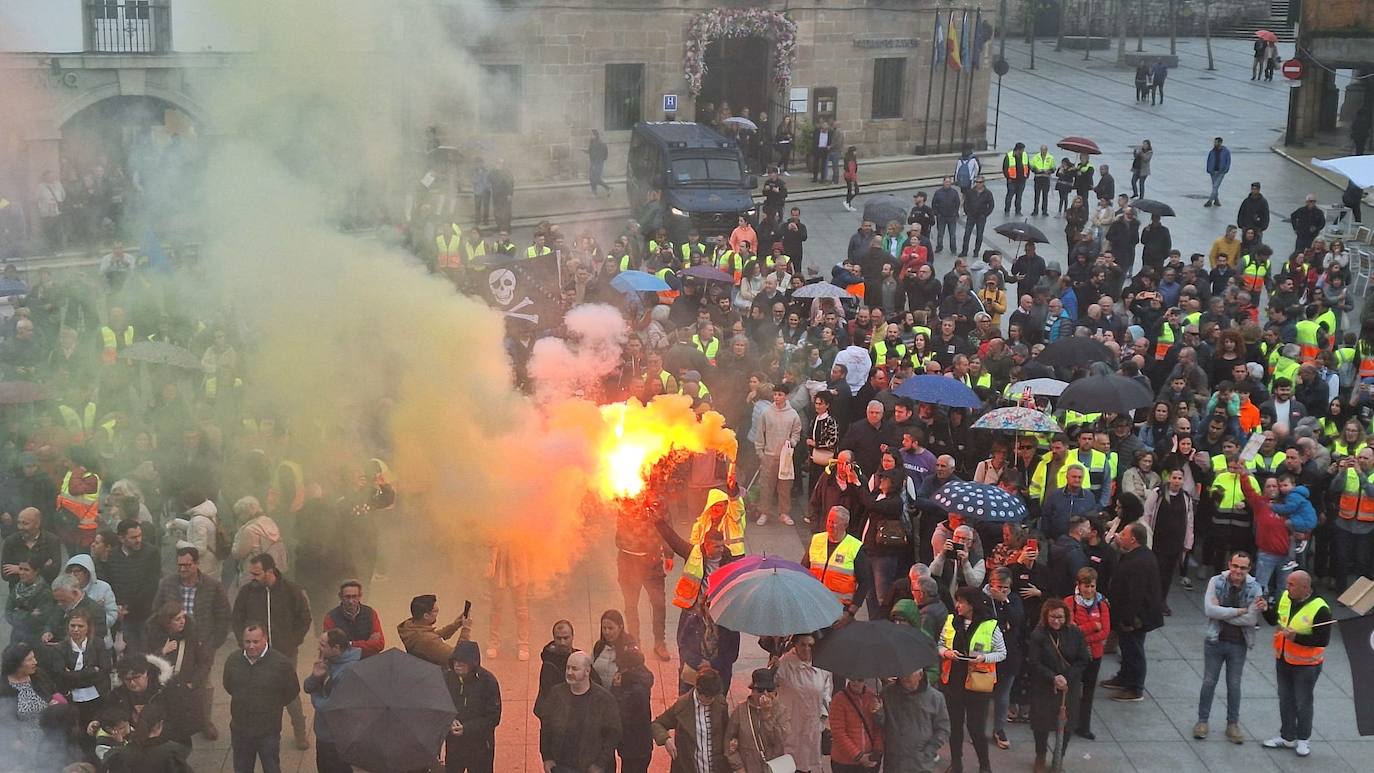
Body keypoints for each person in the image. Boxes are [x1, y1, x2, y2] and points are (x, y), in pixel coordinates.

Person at [229, 553, 312, 749]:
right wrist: (246, 645)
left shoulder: (291, 590)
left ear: (270, 571)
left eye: (257, 573)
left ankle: (300, 731)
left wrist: (293, 642)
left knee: (290, 694)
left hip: (285, 653)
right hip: (255, 655)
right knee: (256, 694)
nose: (253, 578)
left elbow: (304, 618)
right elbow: (237, 619)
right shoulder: (246, 592)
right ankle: (257, 733)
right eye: (251, 573)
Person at [151, 545, 231, 740]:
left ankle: (204, 721)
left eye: (187, 565)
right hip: (175, 643)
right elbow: (156, 611)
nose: (183, 569)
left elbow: (223, 617)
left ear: (197, 564)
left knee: (204, 684)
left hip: (201, 642)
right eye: (180, 565)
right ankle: (173, 720)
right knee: (171, 681)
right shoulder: (167, 584)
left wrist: (212, 643)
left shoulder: (213, 586)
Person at [1194, 550, 1266, 744]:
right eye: (1235, 566)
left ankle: (1232, 724)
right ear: (1229, 564)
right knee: (1209, 682)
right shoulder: (1216, 581)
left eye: (1243, 568)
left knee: (1234, 685)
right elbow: (1209, 610)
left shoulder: (1255, 588)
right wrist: (1238, 611)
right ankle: (1202, 722)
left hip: (1238, 644)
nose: (1238, 570)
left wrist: (1222, 613)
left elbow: (1251, 619)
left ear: (1249, 569)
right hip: (1214, 640)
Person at [1261, 571, 1331, 758]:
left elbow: (1323, 640)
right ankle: (1287, 736)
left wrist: (1297, 637)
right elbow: (1276, 619)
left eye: (1291, 584)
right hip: (1283, 658)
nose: (1287, 587)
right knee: (1285, 699)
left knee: (1303, 702)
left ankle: (1303, 739)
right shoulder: (1286, 597)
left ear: (1305, 588)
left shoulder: (1320, 608)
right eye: (1288, 583)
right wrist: (1266, 609)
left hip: (1306, 664)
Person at [937, 586, 1005, 773]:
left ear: (972, 605)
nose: (957, 605)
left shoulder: (990, 625)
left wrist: (984, 658)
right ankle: (956, 763)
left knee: (976, 729)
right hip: (953, 683)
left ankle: (984, 765)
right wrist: (948, 653)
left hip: (978, 686)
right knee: (955, 728)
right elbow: (940, 645)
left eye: (961, 602)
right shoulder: (951, 621)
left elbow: (1002, 652)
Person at [223, 623, 301, 773]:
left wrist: (272, 705)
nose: (251, 646)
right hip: (240, 730)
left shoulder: (281, 663)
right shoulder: (233, 661)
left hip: (268, 731)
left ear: (265, 639)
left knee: (271, 767)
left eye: (255, 642)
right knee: (242, 768)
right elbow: (229, 685)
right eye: (247, 642)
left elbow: (291, 691)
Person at [1025, 598, 1089, 772]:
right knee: (1041, 724)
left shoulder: (1075, 633)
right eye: (1053, 617)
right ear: (1046, 616)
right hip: (1044, 686)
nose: (1056, 621)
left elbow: (1084, 659)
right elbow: (1034, 662)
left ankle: (1058, 758)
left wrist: (1066, 678)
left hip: (1069, 686)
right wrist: (1053, 677)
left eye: (1060, 617)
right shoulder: (1038, 635)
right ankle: (1040, 755)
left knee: (1067, 724)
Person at [1102, 522, 1163, 702]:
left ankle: (1135, 688)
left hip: (1135, 619)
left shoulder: (1140, 562)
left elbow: (1136, 594)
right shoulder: (1136, 555)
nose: (1119, 535)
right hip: (1128, 616)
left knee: (1134, 650)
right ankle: (1124, 678)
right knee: (1127, 649)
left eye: (1123, 534)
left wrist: (1128, 619)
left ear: (1133, 539)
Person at [539, 650, 621, 772]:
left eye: (575, 669)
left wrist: (599, 764)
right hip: (561, 766)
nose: (569, 672)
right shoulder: (556, 694)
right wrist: (547, 757)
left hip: (589, 767)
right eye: (567, 668)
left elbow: (613, 735)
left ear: (587, 671)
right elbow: (546, 728)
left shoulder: (604, 700)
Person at [303, 629, 361, 773]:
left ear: (336, 648)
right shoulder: (328, 660)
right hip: (324, 734)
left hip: (336, 739)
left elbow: (329, 706)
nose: (319, 648)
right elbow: (307, 687)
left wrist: (316, 694)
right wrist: (315, 676)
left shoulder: (348, 672)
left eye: (323, 645)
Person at [652, 664, 728, 773]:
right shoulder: (682, 705)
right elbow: (657, 724)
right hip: (689, 767)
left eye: (713, 696)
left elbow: (727, 729)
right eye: (707, 697)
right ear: (698, 690)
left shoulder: (720, 702)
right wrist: (666, 739)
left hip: (716, 767)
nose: (711, 700)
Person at [800, 506, 870, 625]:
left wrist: (851, 612)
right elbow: (803, 570)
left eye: (835, 523)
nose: (831, 526)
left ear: (845, 525)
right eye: (829, 521)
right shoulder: (817, 540)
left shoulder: (855, 547)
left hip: (839, 610)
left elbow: (865, 582)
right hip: (813, 604)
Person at [102, 518, 162, 655]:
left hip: (145, 614)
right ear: (122, 539)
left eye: (140, 535)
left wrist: (128, 606)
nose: (138, 540)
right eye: (133, 537)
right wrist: (115, 606)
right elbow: (110, 582)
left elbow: (151, 585)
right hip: (121, 616)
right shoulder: (112, 556)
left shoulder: (151, 553)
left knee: (147, 653)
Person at [444, 639, 503, 773]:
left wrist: (467, 728)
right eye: (455, 661)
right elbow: (440, 706)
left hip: (480, 746)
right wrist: (449, 721)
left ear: (472, 664)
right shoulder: (447, 679)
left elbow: (493, 717)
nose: (457, 665)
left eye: (462, 661)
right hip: (455, 745)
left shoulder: (488, 682)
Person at [775, 634, 831, 773]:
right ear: (795, 645)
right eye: (802, 644)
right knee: (790, 763)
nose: (806, 648)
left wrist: (821, 720)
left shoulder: (823, 665)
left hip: (812, 726)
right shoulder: (785, 663)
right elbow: (769, 686)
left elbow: (826, 694)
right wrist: (772, 670)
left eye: (810, 645)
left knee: (811, 762)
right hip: (791, 724)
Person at [1066, 567, 1109, 741]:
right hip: (1075, 655)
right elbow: (1069, 629)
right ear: (1078, 585)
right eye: (1086, 586)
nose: (1089, 590)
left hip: (1094, 655)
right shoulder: (1070, 602)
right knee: (1071, 689)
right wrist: (1093, 626)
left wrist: (1082, 633)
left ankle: (1084, 726)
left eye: (1092, 586)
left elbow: (1105, 631)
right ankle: (1067, 722)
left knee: (1088, 692)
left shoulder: (1102, 604)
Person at [880, 667, 949, 773]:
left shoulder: (936, 698)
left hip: (920, 764)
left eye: (909, 674)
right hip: (894, 762)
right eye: (902, 674)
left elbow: (943, 729)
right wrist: (876, 712)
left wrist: (929, 751)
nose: (904, 677)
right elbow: (881, 724)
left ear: (920, 675)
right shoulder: (887, 693)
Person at [50, 608, 111, 725]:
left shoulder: (98, 644)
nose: (76, 629)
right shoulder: (60, 648)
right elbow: (60, 675)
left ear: (88, 627)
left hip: (97, 697)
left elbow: (105, 670)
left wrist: (72, 675)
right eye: (72, 626)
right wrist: (91, 671)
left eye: (80, 626)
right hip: (71, 698)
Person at [724, 668, 791, 773]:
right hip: (748, 767)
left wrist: (767, 716)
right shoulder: (741, 711)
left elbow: (780, 740)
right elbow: (729, 741)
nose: (765, 694)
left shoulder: (781, 711)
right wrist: (738, 767)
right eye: (760, 690)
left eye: (769, 690)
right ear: (753, 691)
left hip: (772, 768)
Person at [755, 385, 801, 526]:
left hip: (785, 457)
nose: (777, 397)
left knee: (785, 487)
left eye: (780, 394)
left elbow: (796, 432)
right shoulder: (767, 413)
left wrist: (792, 442)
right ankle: (764, 512)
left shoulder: (793, 414)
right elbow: (760, 433)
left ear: (786, 396)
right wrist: (760, 451)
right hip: (769, 455)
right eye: (775, 394)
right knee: (766, 486)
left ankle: (784, 513)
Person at [398, 593, 472, 667]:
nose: (437, 612)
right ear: (426, 616)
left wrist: (456, 624)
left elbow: (432, 635)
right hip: (439, 674)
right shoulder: (427, 640)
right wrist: (466, 628)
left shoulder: (410, 627)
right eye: (435, 611)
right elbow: (458, 656)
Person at [322, 579, 385, 658]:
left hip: (369, 662)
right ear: (340, 597)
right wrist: (368, 644)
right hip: (342, 665)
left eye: (354, 596)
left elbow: (379, 644)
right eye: (347, 597)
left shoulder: (371, 613)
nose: (351, 601)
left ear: (360, 596)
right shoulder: (330, 618)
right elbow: (330, 649)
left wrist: (349, 644)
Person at [960, 177, 995, 258]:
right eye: (977, 182)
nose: (978, 184)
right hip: (971, 216)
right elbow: (966, 203)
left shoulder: (987, 193)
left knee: (979, 235)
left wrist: (985, 214)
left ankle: (976, 251)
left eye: (980, 182)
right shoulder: (970, 192)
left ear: (983, 183)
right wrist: (967, 213)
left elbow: (991, 205)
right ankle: (964, 251)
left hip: (981, 218)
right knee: (967, 234)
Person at [1204, 137, 1231, 208]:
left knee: (1215, 186)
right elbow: (1209, 160)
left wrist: (1226, 170)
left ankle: (1209, 201)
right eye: (1214, 142)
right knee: (1214, 187)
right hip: (1213, 172)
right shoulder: (1212, 151)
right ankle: (1216, 201)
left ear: (1220, 143)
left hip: (1221, 172)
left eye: (1216, 142)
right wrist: (1208, 169)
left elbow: (1228, 161)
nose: (1214, 143)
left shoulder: (1226, 151)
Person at [587, 130, 612, 196]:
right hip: (594, 162)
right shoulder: (592, 142)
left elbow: (604, 155)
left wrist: (597, 163)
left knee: (596, 178)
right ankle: (595, 192)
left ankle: (608, 188)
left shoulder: (601, 143)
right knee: (591, 178)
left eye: (591, 134)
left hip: (598, 163)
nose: (590, 136)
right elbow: (590, 151)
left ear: (595, 135)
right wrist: (584, 150)